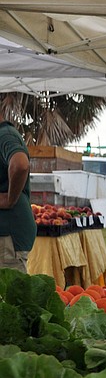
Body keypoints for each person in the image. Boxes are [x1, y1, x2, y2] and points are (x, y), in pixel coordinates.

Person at [0, 114, 36, 273]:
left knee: (8, 296)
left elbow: (20, 164)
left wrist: (9, 199)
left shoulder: (5, 135)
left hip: (7, 239)